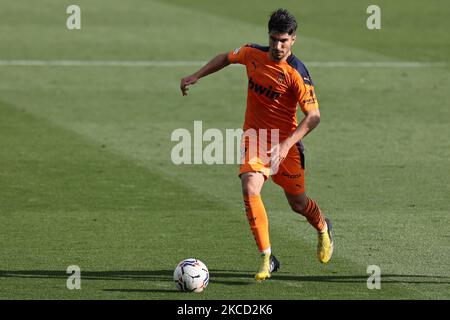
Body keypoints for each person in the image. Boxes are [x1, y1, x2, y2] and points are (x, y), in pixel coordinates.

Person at [180, 8, 333, 282]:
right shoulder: (252, 54)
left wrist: (286, 145)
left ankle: (323, 227)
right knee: (250, 186)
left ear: (293, 40)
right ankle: (266, 258)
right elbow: (226, 57)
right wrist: (197, 75)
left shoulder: (297, 73)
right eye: (274, 39)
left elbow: (314, 117)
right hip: (255, 139)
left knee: (297, 203)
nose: (277, 46)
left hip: (286, 145)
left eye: (283, 40)